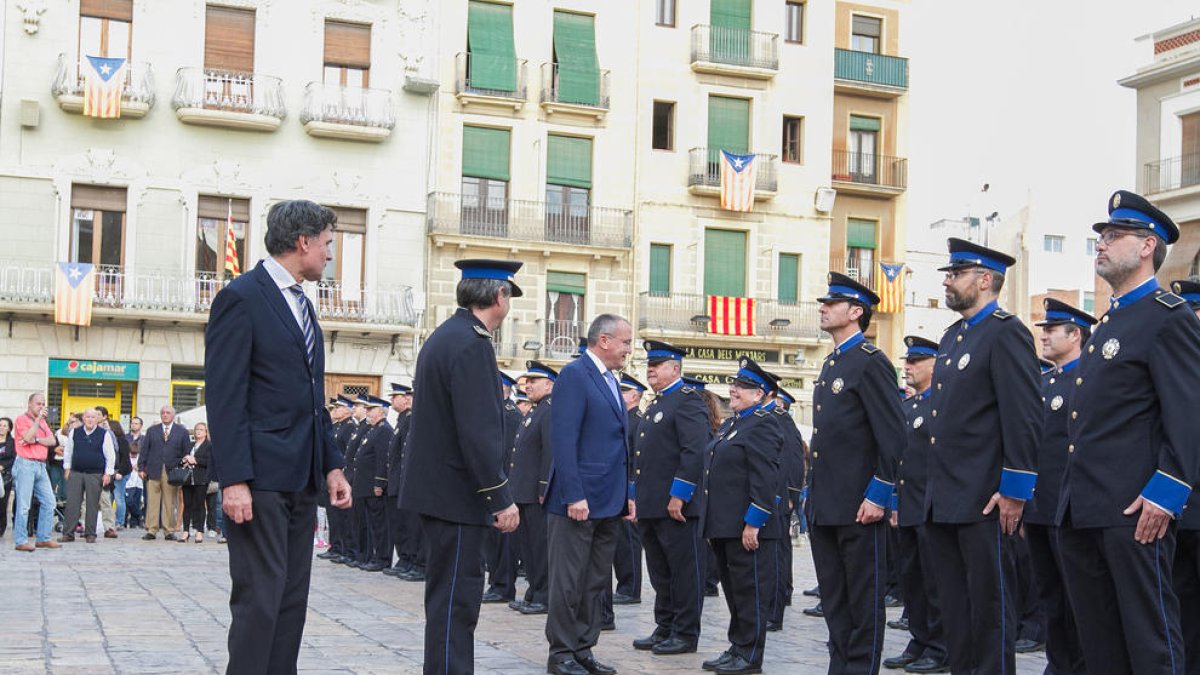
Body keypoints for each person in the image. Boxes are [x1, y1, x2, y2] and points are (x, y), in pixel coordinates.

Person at [205, 198, 353, 674]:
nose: (330, 254)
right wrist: (233, 479)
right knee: (259, 601)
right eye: (328, 244)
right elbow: (225, 396)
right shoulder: (242, 297)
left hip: (301, 479)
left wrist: (331, 463)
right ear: (303, 241)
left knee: (291, 601)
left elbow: (314, 398)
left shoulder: (304, 305)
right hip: (260, 479)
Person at [1056, 191, 1200, 674]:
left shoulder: (1167, 316)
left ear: (1146, 246)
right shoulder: (1111, 321)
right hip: (1085, 506)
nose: (1102, 243)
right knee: (1100, 642)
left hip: (1136, 510)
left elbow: (1189, 411)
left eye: (1114, 235)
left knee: (1150, 640)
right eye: (1101, 235)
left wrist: (1167, 490)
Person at [398, 259, 522, 675]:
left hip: (440, 493)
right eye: (509, 297)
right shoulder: (472, 344)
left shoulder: (447, 336)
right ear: (499, 297)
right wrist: (500, 498)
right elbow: (478, 431)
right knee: (457, 601)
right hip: (457, 498)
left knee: (448, 600)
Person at [925, 238, 1043, 675]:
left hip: (984, 498)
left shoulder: (1006, 331)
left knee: (990, 609)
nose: (948, 281)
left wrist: (1014, 489)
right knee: (955, 609)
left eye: (956, 274)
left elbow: (1024, 416)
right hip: (946, 497)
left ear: (985, 280)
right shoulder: (953, 336)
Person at [807, 273, 906, 675]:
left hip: (859, 505)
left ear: (856, 312)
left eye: (832, 303)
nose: (823, 308)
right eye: (824, 303)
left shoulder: (870, 363)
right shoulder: (832, 364)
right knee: (835, 599)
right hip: (827, 505)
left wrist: (879, 493)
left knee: (863, 601)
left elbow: (894, 437)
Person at [544, 313, 635, 675]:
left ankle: (583, 648)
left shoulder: (610, 379)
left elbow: (619, 445)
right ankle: (561, 654)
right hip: (578, 501)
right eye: (626, 342)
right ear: (605, 341)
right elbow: (563, 439)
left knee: (595, 581)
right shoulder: (574, 375)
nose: (629, 349)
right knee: (568, 581)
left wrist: (627, 492)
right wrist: (573, 494)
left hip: (609, 500)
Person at [702, 357, 784, 675]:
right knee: (735, 591)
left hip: (748, 526)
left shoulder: (763, 423)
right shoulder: (734, 424)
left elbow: (765, 477)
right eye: (735, 384)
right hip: (726, 525)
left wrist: (754, 521)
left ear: (760, 393)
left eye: (743, 386)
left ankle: (750, 655)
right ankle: (737, 646)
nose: (734, 390)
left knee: (750, 591)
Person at [629, 340, 711, 656]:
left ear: (674, 368)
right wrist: (636, 497)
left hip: (676, 508)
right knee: (661, 572)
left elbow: (694, 451)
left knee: (684, 572)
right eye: (649, 363)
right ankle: (665, 626)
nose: (650, 368)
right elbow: (643, 459)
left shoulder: (687, 401)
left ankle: (685, 633)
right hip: (652, 505)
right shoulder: (657, 404)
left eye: (658, 364)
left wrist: (680, 495)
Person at [882, 336, 949, 673]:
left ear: (935, 365)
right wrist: (894, 501)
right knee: (914, 580)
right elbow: (899, 462)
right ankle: (920, 639)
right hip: (907, 506)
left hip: (932, 506)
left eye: (915, 361)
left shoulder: (944, 405)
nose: (907, 367)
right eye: (906, 361)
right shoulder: (907, 408)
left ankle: (940, 645)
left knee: (936, 580)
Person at [508, 360, 557, 615]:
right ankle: (533, 591)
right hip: (523, 491)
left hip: (537, 493)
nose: (527, 385)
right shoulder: (536, 411)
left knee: (540, 547)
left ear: (549, 384)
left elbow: (549, 452)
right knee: (529, 547)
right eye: (527, 381)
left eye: (533, 381)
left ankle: (544, 595)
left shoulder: (549, 410)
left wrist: (543, 488)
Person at [483, 372, 523, 603]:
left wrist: (502, 488)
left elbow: (506, 454)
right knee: (493, 541)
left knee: (504, 542)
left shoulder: (509, 415)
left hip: (504, 485)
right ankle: (496, 583)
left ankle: (503, 586)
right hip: (494, 486)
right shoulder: (497, 411)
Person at [613, 373, 647, 606]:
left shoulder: (638, 420)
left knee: (629, 541)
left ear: (634, 395)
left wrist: (632, 491)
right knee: (619, 542)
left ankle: (630, 588)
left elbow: (637, 460)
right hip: (619, 486)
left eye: (624, 391)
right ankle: (624, 584)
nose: (620, 394)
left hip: (630, 487)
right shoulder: (624, 419)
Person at [60, 408, 116, 544]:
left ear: (97, 419)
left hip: (95, 474)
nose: (90, 420)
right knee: (72, 503)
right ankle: (68, 533)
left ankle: (90, 533)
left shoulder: (104, 434)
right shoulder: (75, 432)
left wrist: (108, 473)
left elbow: (110, 455)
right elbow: (68, 451)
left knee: (92, 504)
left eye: (93, 417)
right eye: (87, 417)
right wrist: (67, 468)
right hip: (76, 472)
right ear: (83, 418)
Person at [349, 395, 392, 571]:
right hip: (363, 486)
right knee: (367, 524)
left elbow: (382, 460)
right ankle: (369, 556)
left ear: (381, 411)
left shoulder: (384, 430)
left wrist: (379, 483)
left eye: (370, 409)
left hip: (372, 487)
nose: (367, 413)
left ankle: (381, 558)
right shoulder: (373, 429)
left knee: (379, 525)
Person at [139, 406, 191, 541]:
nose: (165, 415)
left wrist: (182, 467)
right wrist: (141, 468)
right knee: (152, 501)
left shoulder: (182, 432)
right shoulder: (152, 431)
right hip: (153, 469)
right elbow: (145, 450)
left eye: (168, 413)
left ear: (173, 415)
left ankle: (169, 530)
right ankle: (151, 529)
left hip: (172, 471)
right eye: (163, 413)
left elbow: (186, 452)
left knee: (170, 502)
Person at [382, 383, 416, 579]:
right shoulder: (403, 420)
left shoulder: (410, 420)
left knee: (409, 524)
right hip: (398, 481)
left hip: (406, 482)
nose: (393, 400)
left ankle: (411, 559)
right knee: (400, 524)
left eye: (396, 396)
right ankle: (405, 558)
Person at [95, 406, 131, 537]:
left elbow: (120, 457)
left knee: (117, 498)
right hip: (100, 472)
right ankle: (100, 523)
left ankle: (117, 522)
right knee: (105, 499)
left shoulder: (117, 439)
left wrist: (117, 472)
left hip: (115, 472)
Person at [179, 422, 212, 544]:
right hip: (187, 479)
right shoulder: (190, 445)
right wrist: (184, 461)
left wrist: (195, 460)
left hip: (201, 479)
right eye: (197, 429)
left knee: (199, 505)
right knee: (187, 505)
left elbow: (209, 462)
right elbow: (181, 460)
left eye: (201, 429)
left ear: (205, 432)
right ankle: (186, 530)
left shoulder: (208, 446)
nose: (198, 431)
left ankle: (199, 531)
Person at [0, 417, 14, 538]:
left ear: (9, 428)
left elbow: (12, 459)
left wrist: (2, 466)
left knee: (2, 503)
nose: (2, 428)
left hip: (5, 476)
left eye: (5, 426)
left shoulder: (12, 442)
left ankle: (1, 528)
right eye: (0, 425)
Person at [125, 440, 144, 529]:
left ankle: (134, 523)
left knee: (136, 502)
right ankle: (140, 515)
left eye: (135, 454)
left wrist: (139, 468)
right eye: (132, 454)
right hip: (129, 483)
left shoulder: (140, 458)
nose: (133, 455)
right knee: (129, 502)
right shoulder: (126, 458)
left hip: (139, 483)